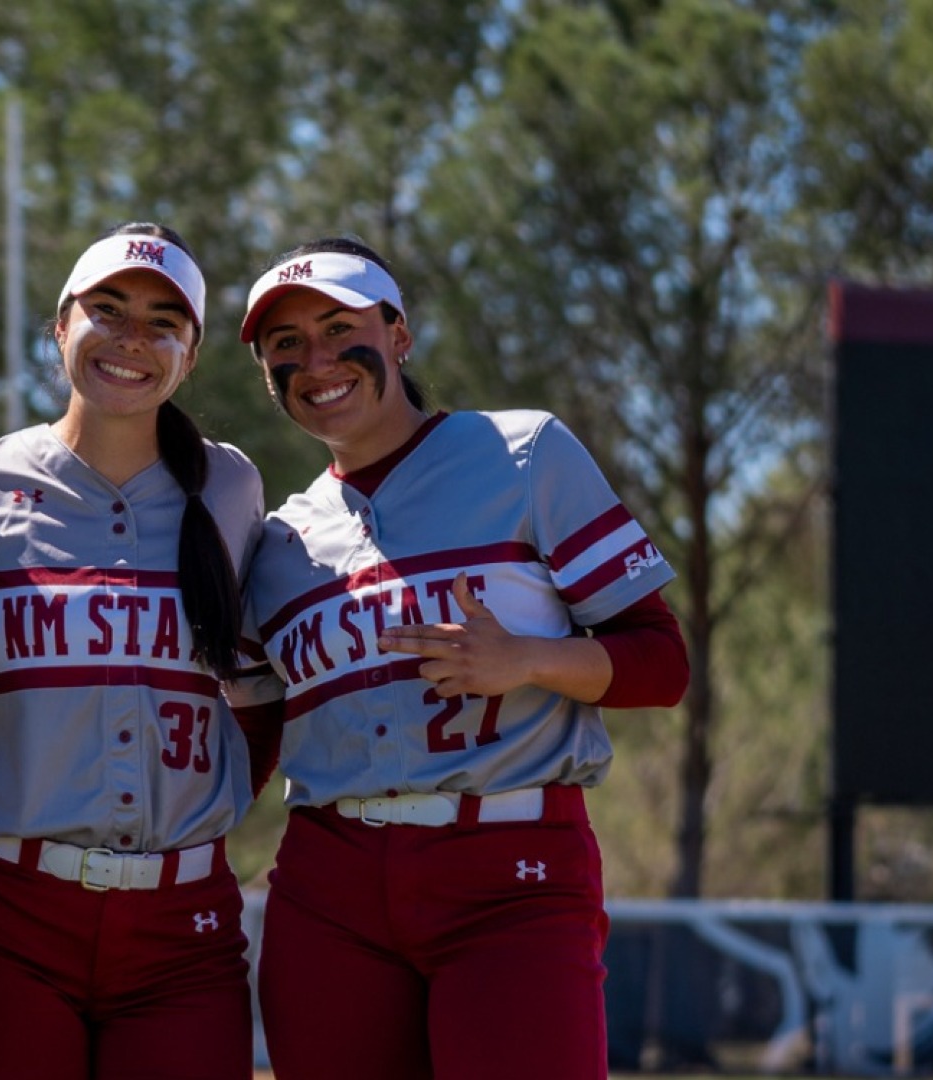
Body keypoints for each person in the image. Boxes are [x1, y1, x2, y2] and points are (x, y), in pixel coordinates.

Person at [232, 237, 690, 1080]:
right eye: (285, 345)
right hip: (329, 892)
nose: (316, 359)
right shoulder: (278, 545)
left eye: (340, 328)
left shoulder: (524, 453)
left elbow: (663, 664)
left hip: (511, 871)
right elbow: (252, 737)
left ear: (399, 335)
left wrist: (528, 659)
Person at [0, 224, 267, 1080]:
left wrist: (200, 807)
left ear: (189, 357)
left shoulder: (231, 488)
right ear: (59, 327)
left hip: (182, 926)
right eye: (107, 310)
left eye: (163, 322)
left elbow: (259, 701)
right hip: (4, 913)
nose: (131, 339)